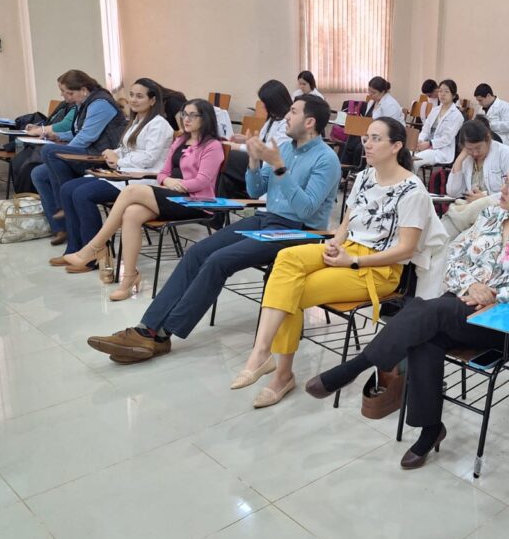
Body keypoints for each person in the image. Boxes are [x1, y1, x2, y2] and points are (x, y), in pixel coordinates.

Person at [309, 157, 509, 468]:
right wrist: (473, 285)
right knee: (426, 334)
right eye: (504, 181)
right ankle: (430, 428)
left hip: (508, 323)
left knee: (430, 311)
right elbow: (455, 257)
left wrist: (494, 296)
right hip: (462, 308)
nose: (502, 190)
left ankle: (356, 367)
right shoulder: (490, 215)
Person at [86, 95, 341, 363]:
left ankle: (161, 335)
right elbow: (255, 190)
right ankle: (146, 327)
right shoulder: (286, 148)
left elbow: (305, 210)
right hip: (267, 219)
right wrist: (254, 163)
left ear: (309, 122)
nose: (286, 116)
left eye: (293, 112)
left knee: (219, 260)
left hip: (300, 231)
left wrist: (278, 168)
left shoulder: (326, 159)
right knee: (198, 252)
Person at [231, 117, 430, 409]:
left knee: (296, 289)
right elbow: (347, 222)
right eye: (366, 138)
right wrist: (335, 243)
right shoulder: (365, 176)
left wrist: (354, 261)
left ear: (396, 146)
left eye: (376, 138)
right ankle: (261, 353)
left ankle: (281, 375)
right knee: (286, 259)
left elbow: (406, 249)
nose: (367, 144)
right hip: (348, 250)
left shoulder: (413, 190)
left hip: (378, 269)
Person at [62, 99, 224, 301]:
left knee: (131, 191)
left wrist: (178, 185)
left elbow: (203, 181)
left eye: (193, 115)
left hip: (197, 202)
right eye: (184, 114)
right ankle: (129, 278)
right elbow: (163, 173)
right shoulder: (180, 141)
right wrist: (168, 181)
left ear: (205, 118)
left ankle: (94, 247)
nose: (186, 119)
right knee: (131, 213)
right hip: (171, 193)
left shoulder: (213, 146)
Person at [52, 79, 173, 269]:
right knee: (67, 189)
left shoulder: (159, 124)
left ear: (152, 100)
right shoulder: (136, 121)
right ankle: (74, 249)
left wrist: (119, 161)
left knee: (83, 194)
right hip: (124, 174)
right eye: (131, 95)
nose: (133, 100)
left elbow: (149, 158)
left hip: (143, 179)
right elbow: (127, 148)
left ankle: (94, 255)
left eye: (139, 96)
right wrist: (113, 152)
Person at [32, 70, 126, 240]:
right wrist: (58, 136)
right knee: (38, 174)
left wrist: (63, 154)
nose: (65, 96)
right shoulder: (84, 102)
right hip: (89, 151)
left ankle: (64, 205)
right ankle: (61, 228)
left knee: (50, 152)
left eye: (69, 93)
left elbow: (86, 137)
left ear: (83, 89)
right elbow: (79, 132)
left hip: (102, 156)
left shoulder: (101, 104)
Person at [442, 119, 509, 237]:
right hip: (472, 212)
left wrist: (485, 198)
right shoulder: (467, 159)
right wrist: (459, 159)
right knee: (442, 232)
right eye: (469, 149)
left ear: (488, 139)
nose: (474, 153)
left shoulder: (506, 155)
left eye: (478, 148)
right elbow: (453, 192)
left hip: (497, 210)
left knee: (456, 225)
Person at [220, 79, 294, 200]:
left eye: (265, 102)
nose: (262, 106)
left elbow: (269, 149)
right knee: (224, 176)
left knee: (228, 157)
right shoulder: (272, 119)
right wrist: (245, 139)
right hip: (259, 158)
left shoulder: (286, 123)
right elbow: (263, 141)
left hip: (268, 163)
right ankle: (219, 206)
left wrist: (236, 146)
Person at [413, 78, 464, 172]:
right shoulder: (435, 110)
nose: (442, 94)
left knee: (414, 161)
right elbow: (425, 129)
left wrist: (429, 143)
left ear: (453, 95)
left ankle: (410, 181)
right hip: (426, 145)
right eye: (440, 91)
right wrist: (419, 141)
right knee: (404, 156)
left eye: (446, 91)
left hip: (441, 151)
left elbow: (447, 139)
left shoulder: (457, 115)